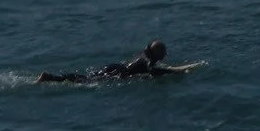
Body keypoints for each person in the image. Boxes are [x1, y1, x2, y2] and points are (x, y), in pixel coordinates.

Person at [38, 40, 180, 85]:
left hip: (116, 67)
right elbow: (153, 71)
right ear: (157, 53)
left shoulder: (145, 56)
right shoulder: (149, 61)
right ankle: (51, 77)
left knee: (86, 78)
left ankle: (52, 77)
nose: (165, 54)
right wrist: (174, 72)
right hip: (117, 72)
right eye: (163, 51)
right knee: (86, 81)